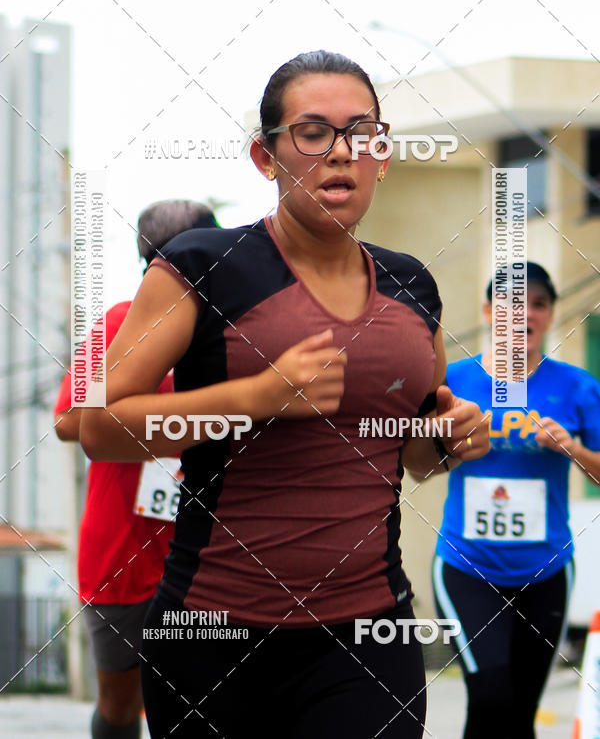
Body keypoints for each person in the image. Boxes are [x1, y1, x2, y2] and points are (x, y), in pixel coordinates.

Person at [80, 50, 490, 739]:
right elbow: (99, 426)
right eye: (312, 132)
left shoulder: (412, 285)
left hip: (369, 630)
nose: (340, 152)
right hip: (213, 630)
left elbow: (416, 456)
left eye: (361, 133)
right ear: (265, 158)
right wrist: (257, 396)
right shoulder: (201, 267)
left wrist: (451, 440)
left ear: (382, 156)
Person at [54, 200, 219, 739]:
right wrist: (157, 422)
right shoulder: (123, 324)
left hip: (212, 553)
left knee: (201, 701)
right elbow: (67, 423)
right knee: (121, 709)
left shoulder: (236, 330)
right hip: (123, 552)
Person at [432, 262, 600, 739]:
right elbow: (417, 462)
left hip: (546, 571)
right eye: (510, 303)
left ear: (549, 316)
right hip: (467, 568)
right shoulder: (453, 380)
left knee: (521, 711)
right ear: (488, 311)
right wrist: (451, 443)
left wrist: (573, 448)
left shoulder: (577, 387)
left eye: (539, 305)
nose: (524, 314)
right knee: (490, 696)